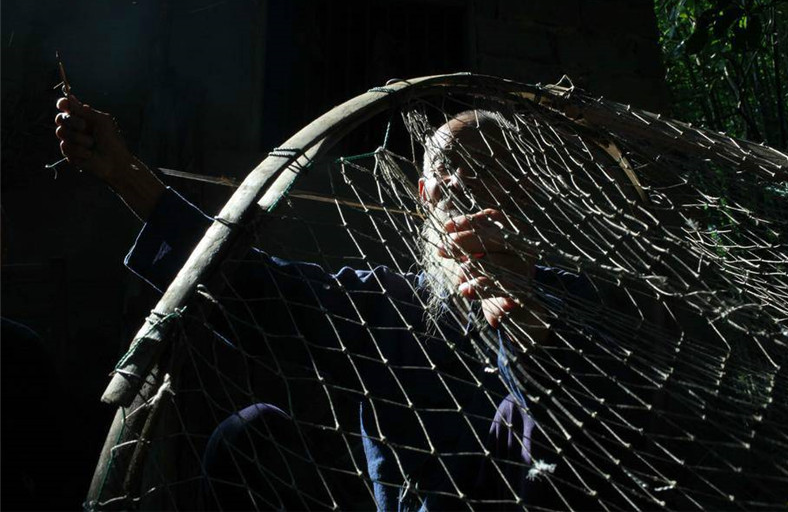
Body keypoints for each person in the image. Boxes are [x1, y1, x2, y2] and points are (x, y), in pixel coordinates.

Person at [55, 96, 590, 509]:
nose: (467, 183)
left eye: (490, 166)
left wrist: (533, 328)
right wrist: (125, 175)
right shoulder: (387, 302)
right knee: (250, 430)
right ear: (425, 198)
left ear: (523, 189)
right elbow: (253, 285)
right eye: (449, 168)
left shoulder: (582, 299)